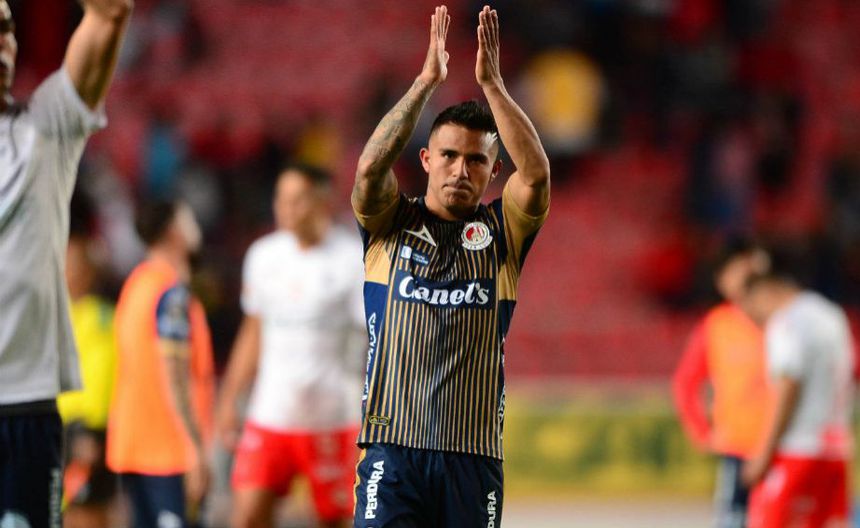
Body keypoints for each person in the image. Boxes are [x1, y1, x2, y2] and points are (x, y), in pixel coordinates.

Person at [351, 5, 550, 526]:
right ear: (425, 159)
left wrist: (493, 86)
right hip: (392, 450)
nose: (461, 170)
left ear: (494, 169)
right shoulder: (389, 224)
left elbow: (536, 175)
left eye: (476, 159)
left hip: (472, 457)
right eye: (448, 155)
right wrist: (425, 83)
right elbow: (369, 169)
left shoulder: (502, 235)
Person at [0, 1, 132, 526]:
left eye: (7, 30)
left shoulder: (45, 127)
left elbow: (110, 13)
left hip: (25, 404)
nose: (2, 44)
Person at [216, 164, 365, 528]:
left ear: (323, 201)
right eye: (281, 199)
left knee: (335, 521)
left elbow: (374, 339)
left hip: (332, 418)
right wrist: (229, 399)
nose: (285, 209)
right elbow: (253, 332)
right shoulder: (263, 256)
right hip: (271, 414)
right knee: (246, 515)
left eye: (297, 200)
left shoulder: (352, 259)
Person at [106, 200, 215, 528]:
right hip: (169, 452)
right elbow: (174, 375)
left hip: (132, 444)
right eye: (188, 220)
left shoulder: (136, 283)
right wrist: (195, 450)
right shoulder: (172, 295)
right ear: (174, 231)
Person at [741, 267, 854, 528]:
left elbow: (788, 385)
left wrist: (764, 454)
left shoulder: (786, 323)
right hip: (835, 451)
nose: (757, 322)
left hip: (796, 451)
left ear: (763, 293)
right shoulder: (832, 315)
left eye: (753, 313)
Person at [672, 238, 773, 528]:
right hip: (739, 447)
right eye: (739, 272)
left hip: (785, 446)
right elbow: (686, 382)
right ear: (723, 280)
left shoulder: (785, 322)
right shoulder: (716, 325)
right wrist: (702, 431)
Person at [58, 194, 118, 528]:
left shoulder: (102, 317)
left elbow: (103, 375)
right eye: (65, 264)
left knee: (88, 514)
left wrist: (92, 431)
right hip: (58, 428)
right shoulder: (54, 315)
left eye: (76, 264)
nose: (69, 272)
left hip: (87, 432)